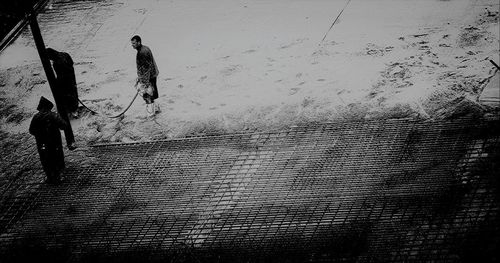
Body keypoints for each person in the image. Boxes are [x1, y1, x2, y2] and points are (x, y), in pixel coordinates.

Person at [29, 96, 69, 184]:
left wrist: (40, 135)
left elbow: (31, 130)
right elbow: (64, 126)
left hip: (42, 143)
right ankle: (58, 176)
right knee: (57, 157)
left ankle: (49, 177)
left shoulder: (36, 117)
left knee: (45, 159)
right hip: (55, 142)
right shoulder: (53, 115)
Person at [131, 35, 160, 116]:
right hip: (153, 75)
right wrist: (140, 77)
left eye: (134, 43)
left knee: (147, 95)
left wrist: (144, 83)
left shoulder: (142, 52)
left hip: (149, 77)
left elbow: (146, 68)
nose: (132, 45)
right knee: (153, 93)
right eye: (132, 43)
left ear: (139, 42)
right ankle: (156, 109)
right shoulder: (144, 48)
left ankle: (151, 114)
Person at [46, 47, 79, 118]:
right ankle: (74, 109)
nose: (50, 60)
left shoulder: (56, 63)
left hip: (65, 83)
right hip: (71, 78)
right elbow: (71, 63)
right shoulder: (65, 54)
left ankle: (70, 111)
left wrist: (58, 84)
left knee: (67, 97)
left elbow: (60, 76)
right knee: (73, 94)